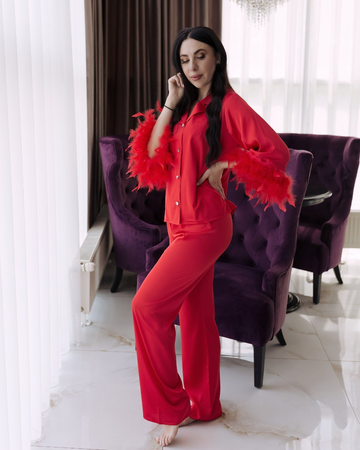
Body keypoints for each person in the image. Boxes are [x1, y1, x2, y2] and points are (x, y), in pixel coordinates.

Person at [127, 26, 294, 447]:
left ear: (217, 57)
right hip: (178, 224)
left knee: (146, 308)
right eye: (185, 60)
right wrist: (169, 104)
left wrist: (225, 165)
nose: (193, 67)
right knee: (196, 319)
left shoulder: (230, 105)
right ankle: (205, 405)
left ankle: (172, 408)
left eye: (200, 56)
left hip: (206, 227)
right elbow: (150, 156)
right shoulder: (183, 109)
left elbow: (277, 151)